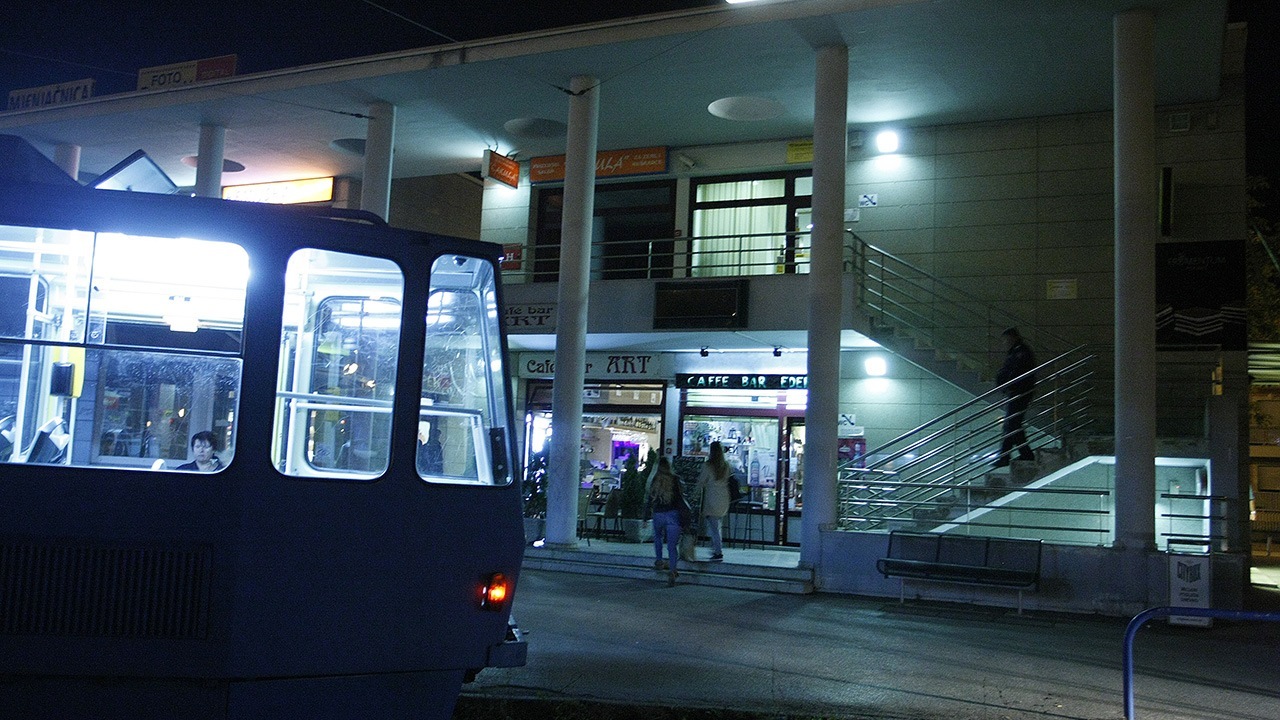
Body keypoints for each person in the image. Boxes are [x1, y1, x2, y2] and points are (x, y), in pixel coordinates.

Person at [993, 327, 1036, 467]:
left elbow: (1015, 372)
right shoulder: (1018, 352)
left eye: (1006, 340)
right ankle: (1016, 455)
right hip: (1018, 391)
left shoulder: (1020, 353)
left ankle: (1017, 455)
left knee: (1012, 424)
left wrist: (1006, 383)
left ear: (1013, 338)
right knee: (1012, 424)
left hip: (1019, 392)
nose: (1005, 343)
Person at [647, 456, 685, 587]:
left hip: (658, 514)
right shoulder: (675, 479)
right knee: (672, 546)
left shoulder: (655, 479)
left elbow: (649, 499)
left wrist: (645, 516)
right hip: (673, 514)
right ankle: (672, 571)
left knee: (658, 537)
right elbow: (680, 498)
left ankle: (659, 560)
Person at [693, 440, 732, 561]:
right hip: (724, 497)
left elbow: (701, 481)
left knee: (713, 527)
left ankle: (717, 550)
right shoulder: (726, 466)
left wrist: (694, 494)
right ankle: (716, 548)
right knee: (717, 526)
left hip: (712, 498)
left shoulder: (707, 466)